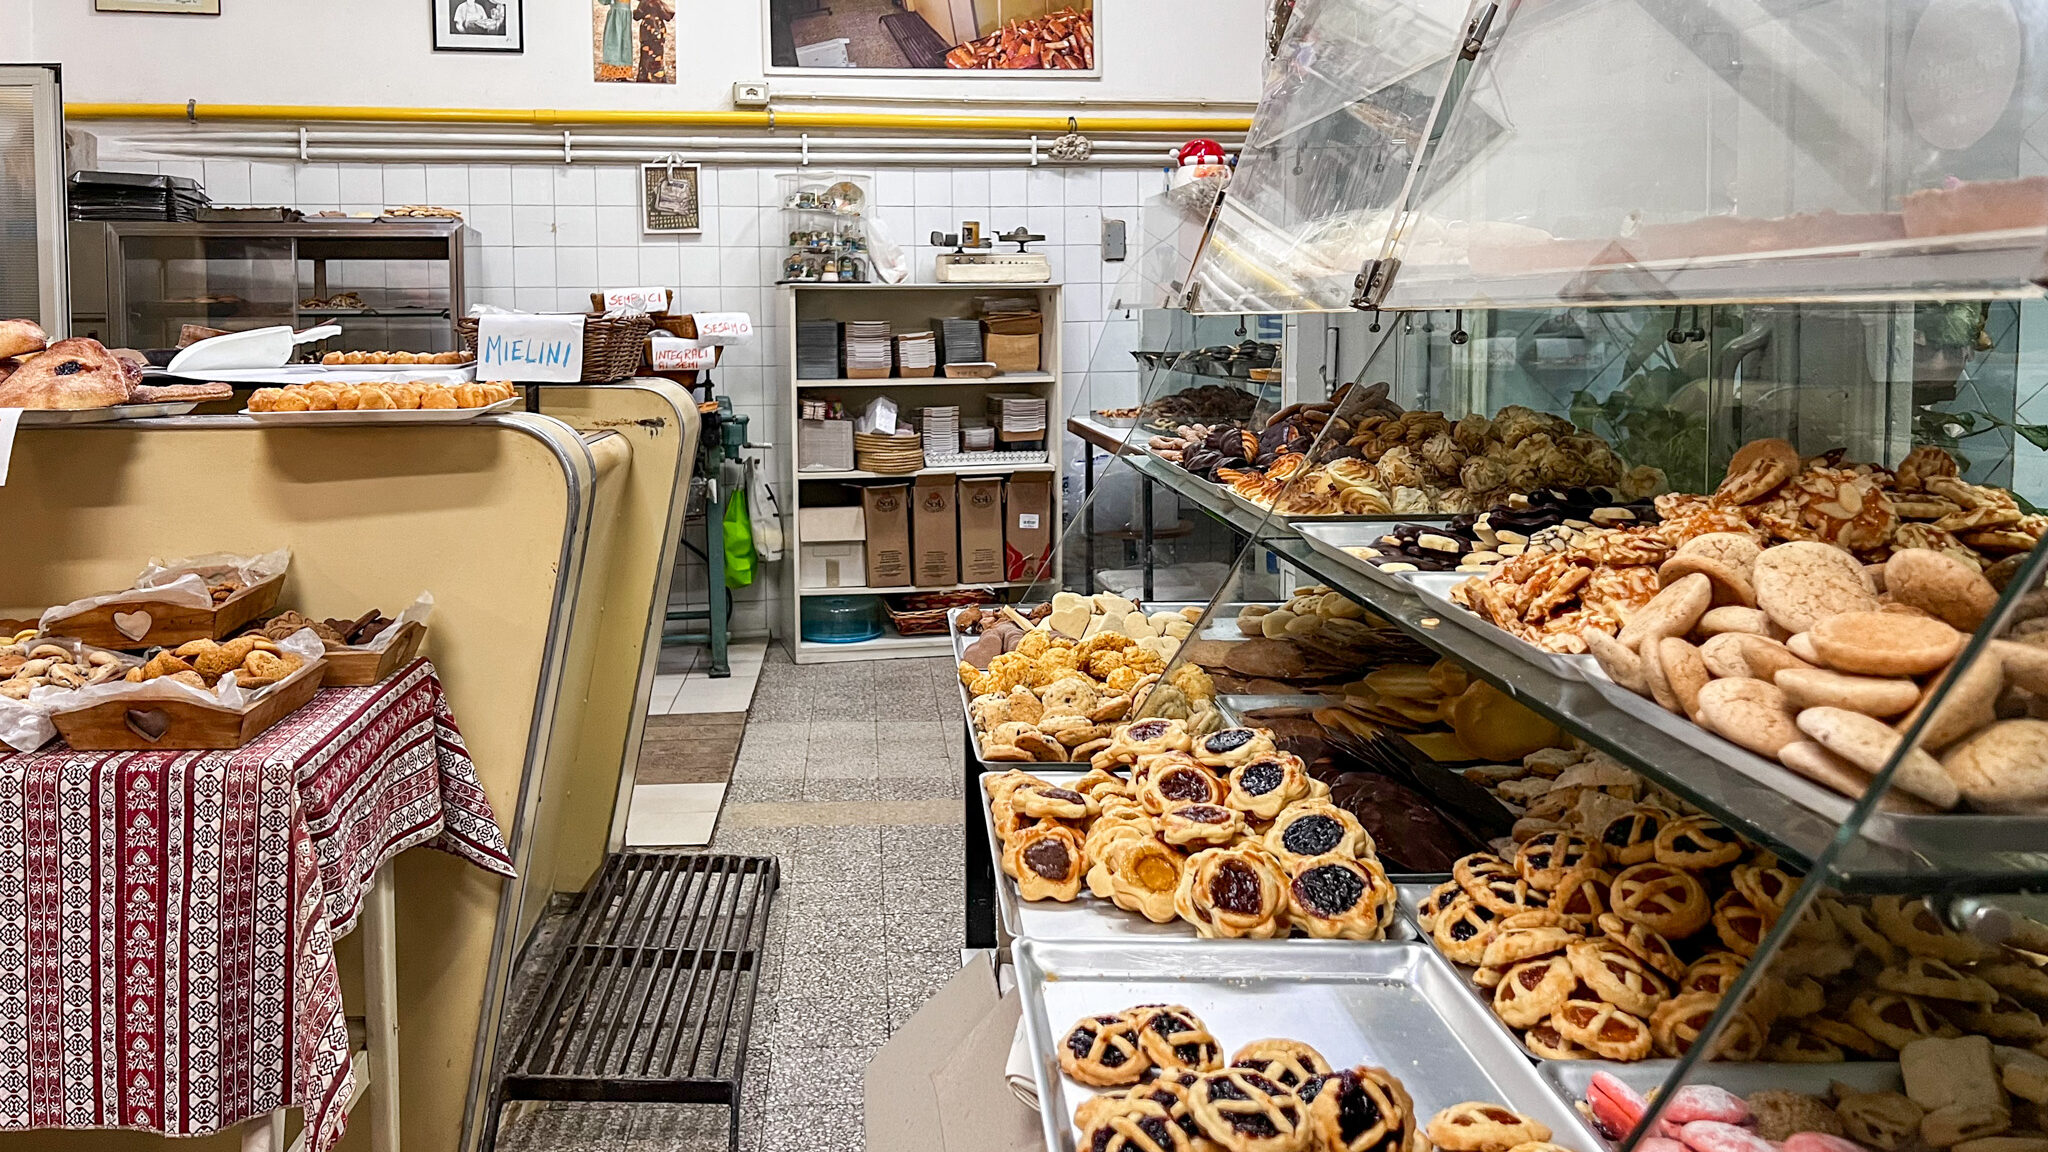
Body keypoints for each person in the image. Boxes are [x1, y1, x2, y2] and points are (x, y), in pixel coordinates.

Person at [598, 0, 634, 71]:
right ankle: (614, 69)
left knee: (625, 44)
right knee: (614, 43)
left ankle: (623, 70)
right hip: (616, 16)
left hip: (625, 17)